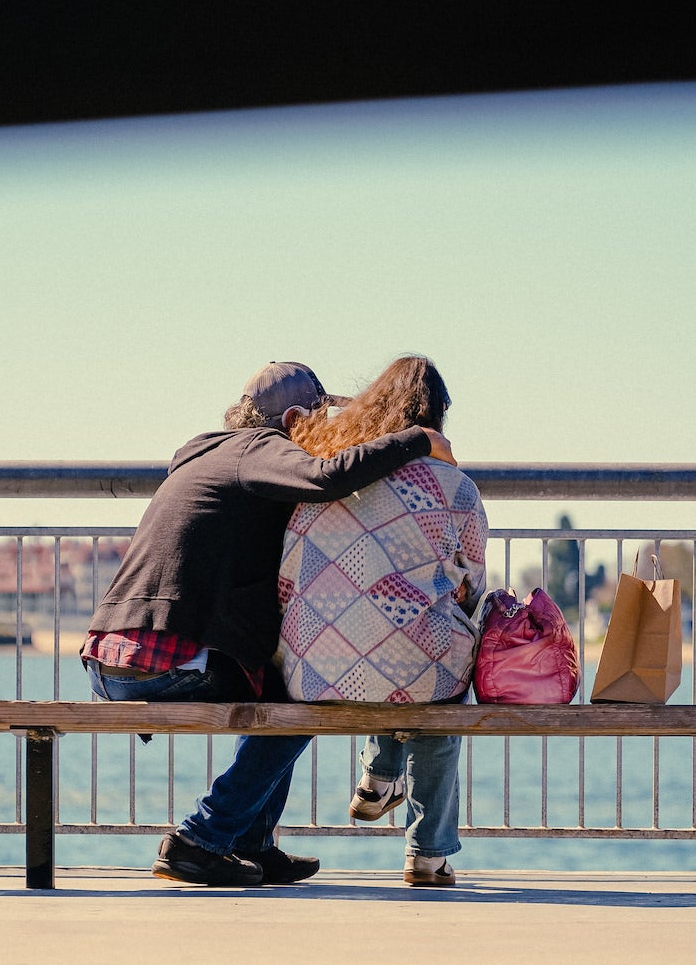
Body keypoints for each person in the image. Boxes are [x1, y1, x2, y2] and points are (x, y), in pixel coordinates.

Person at [82, 360, 450, 887]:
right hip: (160, 655)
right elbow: (328, 476)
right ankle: (201, 839)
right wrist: (416, 440)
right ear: (295, 417)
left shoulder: (208, 454)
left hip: (111, 655)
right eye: (319, 419)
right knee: (295, 702)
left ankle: (252, 841)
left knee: (279, 689)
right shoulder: (259, 449)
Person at [275, 356, 488, 886]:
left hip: (310, 669)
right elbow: (472, 586)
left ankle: (379, 777)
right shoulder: (453, 485)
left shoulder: (324, 471)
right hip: (413, 670)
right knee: (437, 668)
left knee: (387, 631)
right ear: (436, 416)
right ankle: (428, 855)